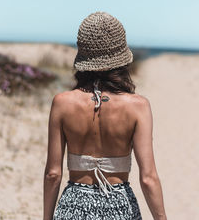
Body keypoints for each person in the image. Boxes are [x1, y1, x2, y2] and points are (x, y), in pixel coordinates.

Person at [43, 12, 167, 220]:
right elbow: (148, 178)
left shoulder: (62, 103)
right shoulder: (138, 106)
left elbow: (53, 174)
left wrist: (47, 218)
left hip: (73, 206)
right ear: (121, 58)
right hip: (119, 206)